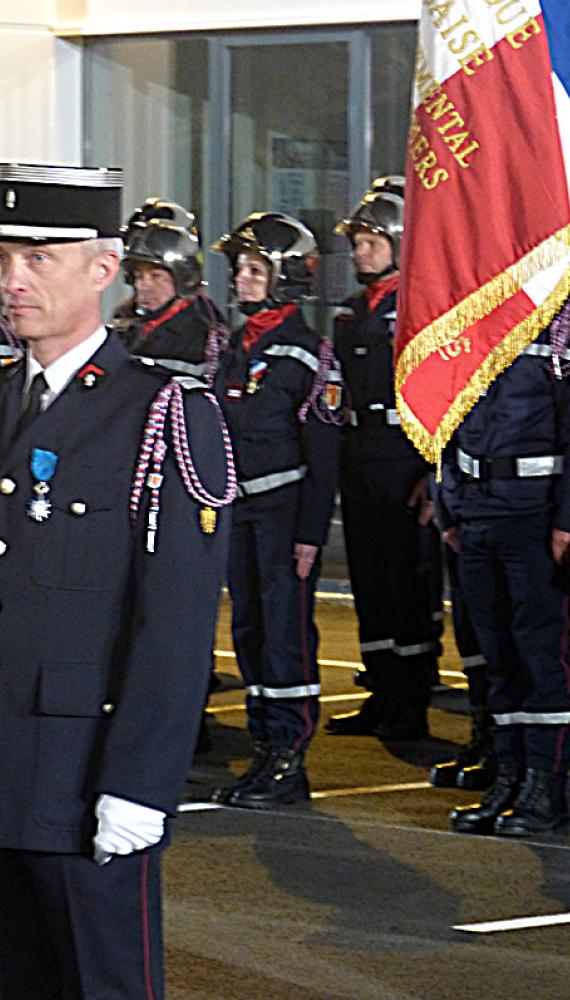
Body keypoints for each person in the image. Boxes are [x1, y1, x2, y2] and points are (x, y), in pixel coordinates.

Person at [0, 163, 234, 997]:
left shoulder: (163, 413)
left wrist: (138, 786)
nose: (11, 281)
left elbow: (172, 625)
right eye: (3, 258)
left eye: (37, 258)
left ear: (103, 271)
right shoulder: (6, 399)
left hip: (79, 781)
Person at [439, 291, 570, 837]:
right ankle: (510, 774)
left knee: (542, 654)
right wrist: (448, 501)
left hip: (535, 515)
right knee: (499, 657)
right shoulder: (473, 324)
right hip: (476, 510)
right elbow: (444, 415)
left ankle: (544, 785)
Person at [210, 211, 340, 808]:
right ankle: (264, 750)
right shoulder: (235, 344)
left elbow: (324, 448)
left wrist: (311, 533)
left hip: (285, 517)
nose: (241, 279)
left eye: (255, 269)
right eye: (240, 268)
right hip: (241, 514)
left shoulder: (308, 353)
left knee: (287, 636)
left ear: (287, 276)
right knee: (250, 633)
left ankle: (291, 758)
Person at [324, 177, 442, 741]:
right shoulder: (349, 312)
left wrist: (431, 469)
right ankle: (381, 691)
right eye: (356, 242)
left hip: (404, 454)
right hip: (360, 450)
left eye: (370, 241)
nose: (359, 251)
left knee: (406, 582)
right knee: (369, 582)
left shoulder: (421, 304)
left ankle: (411, 701)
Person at [115, 218, 229, 380]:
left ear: (182, 279)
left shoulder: (200, 333)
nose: (142, 286)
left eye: (155, 276)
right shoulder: (125, 323)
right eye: (138, 276)